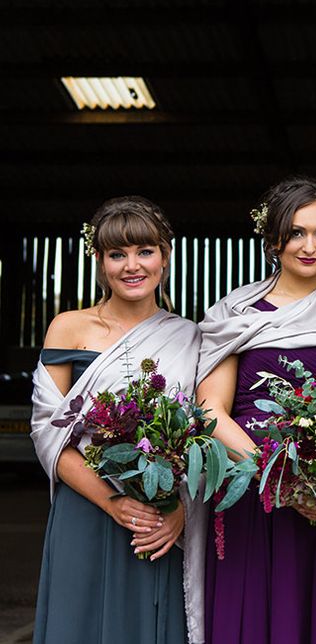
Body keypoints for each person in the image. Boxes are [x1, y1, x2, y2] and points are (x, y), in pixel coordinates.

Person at [196, 176, 316, 644]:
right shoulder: (236, 311)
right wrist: (277, 477)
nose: (309, 246)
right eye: (297, 232)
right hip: (253, 495)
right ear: (274, 236)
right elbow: (210, 409)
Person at [30, 196, 204, 644]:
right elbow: (48, 434)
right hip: (86, 508)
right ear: (99, 260)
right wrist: (111, 502)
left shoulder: (190, 337)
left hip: (157, 519)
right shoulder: (68, 327)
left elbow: (203, 433)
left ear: (165, 255)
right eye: (117, 254)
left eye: (145, 251)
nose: (132, 266)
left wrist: (181, 514)